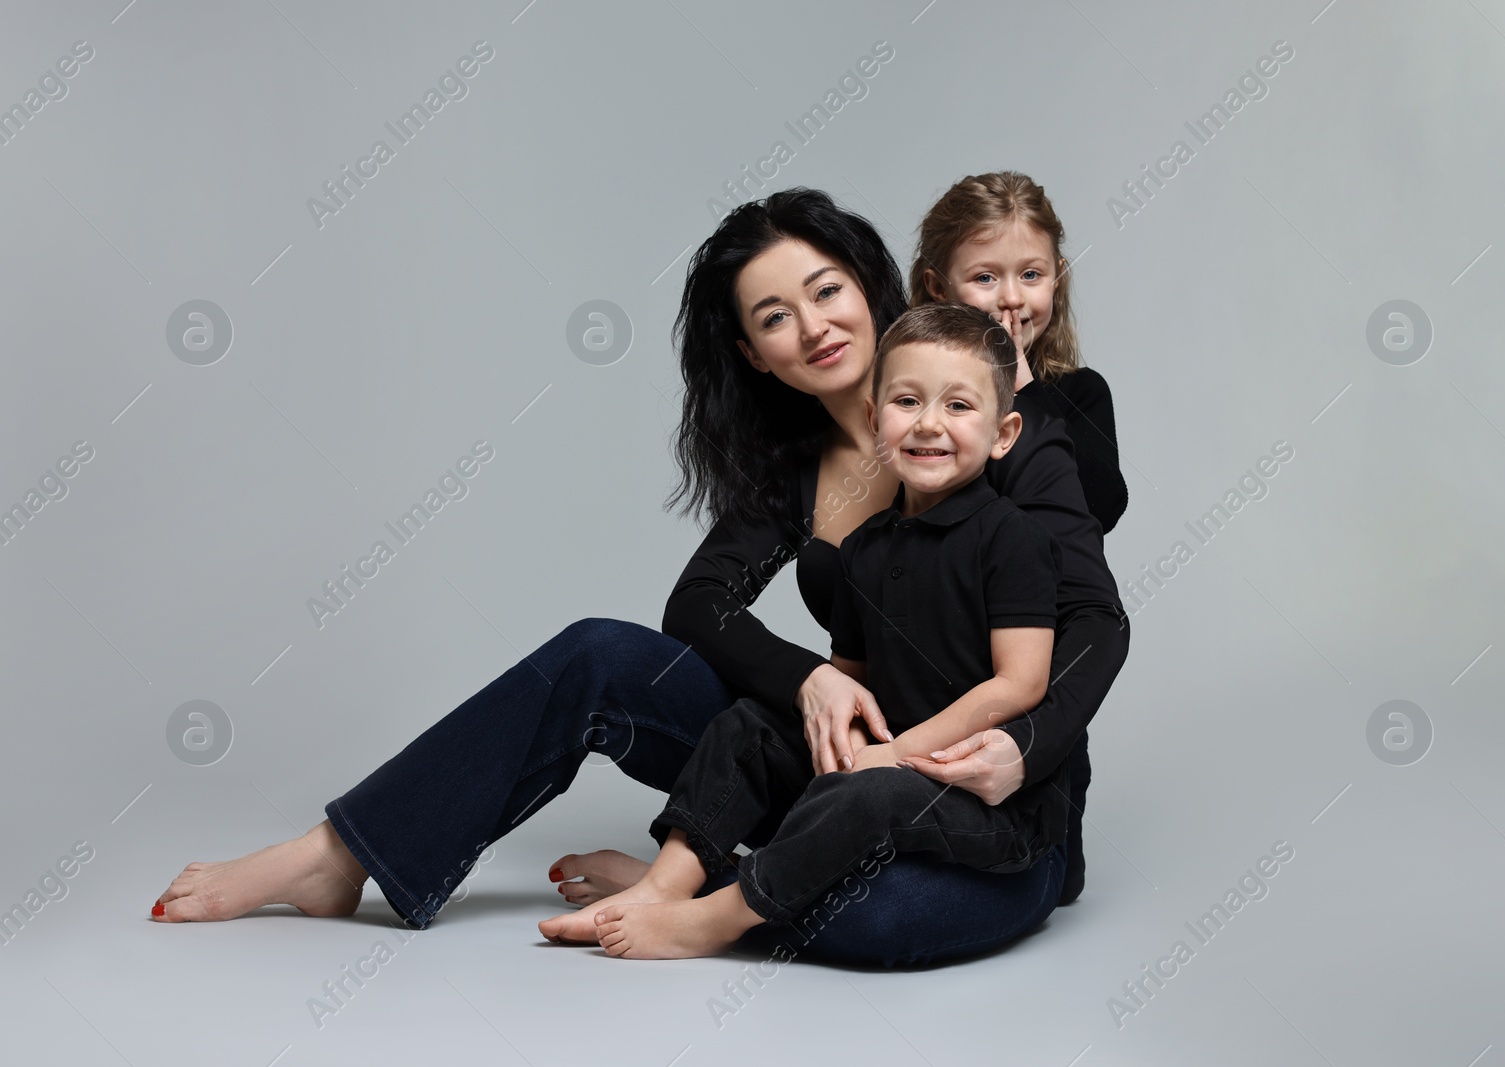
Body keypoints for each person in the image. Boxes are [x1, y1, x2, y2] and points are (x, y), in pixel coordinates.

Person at [153, 188, 1128, 967]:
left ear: (872, 286)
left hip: (985, 790)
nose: (815, 326)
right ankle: (341, 855)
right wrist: (811, 677)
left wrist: (1021, 743)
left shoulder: (1006, 425)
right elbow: (695, 606)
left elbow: (1095, 625)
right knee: (599, 654)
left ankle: (705, 882)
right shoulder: (797, 473)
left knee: (876, 918)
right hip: (846, 762)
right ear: (754, 354)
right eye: (774, 316)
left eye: (827, 289)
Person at [539, 302, 1069, 959]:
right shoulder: (866, 547)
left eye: (959, 406)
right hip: (884, 765)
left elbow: (1022, 681)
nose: (930, 422)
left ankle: (713, 918)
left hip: (987, 804)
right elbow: (852, 679)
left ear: (1003, 432)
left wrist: (897, 753)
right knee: (751, 727)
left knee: (872, 801)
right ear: (876, 421)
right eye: (907, 401)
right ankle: (664, 883)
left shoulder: (1012, 538)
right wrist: (838, 740)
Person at [911, 170, 1129, 902]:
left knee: (1044, 874)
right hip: (940, 671)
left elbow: (1103, 503)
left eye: (1031, 275)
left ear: (1055, 282)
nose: (1011, 297)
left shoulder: (1075, 394)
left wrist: (1021, 385)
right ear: (938, 288)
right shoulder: (925, 410)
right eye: (986, 277)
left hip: (1046, 688)